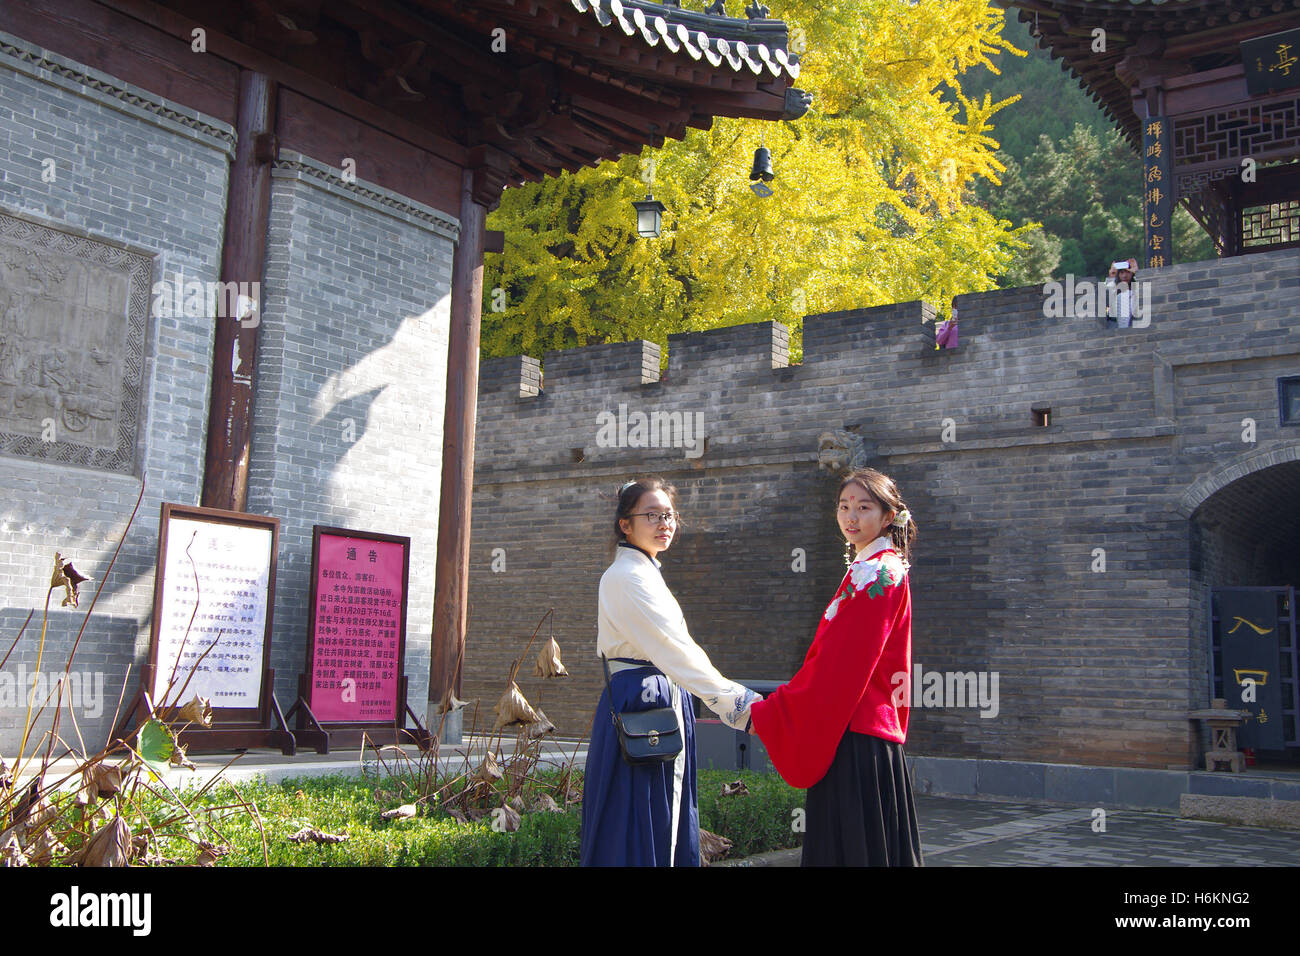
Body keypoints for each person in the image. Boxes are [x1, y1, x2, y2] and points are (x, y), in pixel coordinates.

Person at [580, 477, 760, 866]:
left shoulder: (643, 571)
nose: (665, 523)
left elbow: (675, 653)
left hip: (652, 700)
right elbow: (675, 651)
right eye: (652, 515)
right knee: (647, 813)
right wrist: (739, 704)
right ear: (625, 524)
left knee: (651, 812)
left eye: (670, 515)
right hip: (643, 703)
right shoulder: (627, 577)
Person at [749, 467, 923, 866]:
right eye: (844, 506)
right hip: (858, 730)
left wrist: (778, 707)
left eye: (864, 508)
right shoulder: (870, 568)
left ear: (888, 516)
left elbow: (843, 665)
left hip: (856, 733)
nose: (851, 517)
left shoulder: (878, 572)